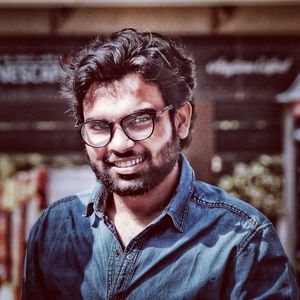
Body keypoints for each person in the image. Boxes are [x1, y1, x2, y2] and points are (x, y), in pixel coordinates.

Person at [22, 28, 298, 300]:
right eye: (98, 126)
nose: (120, 144)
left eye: (140, 120)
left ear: (180, 120)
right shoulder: (55, 228)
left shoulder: (243, 242)